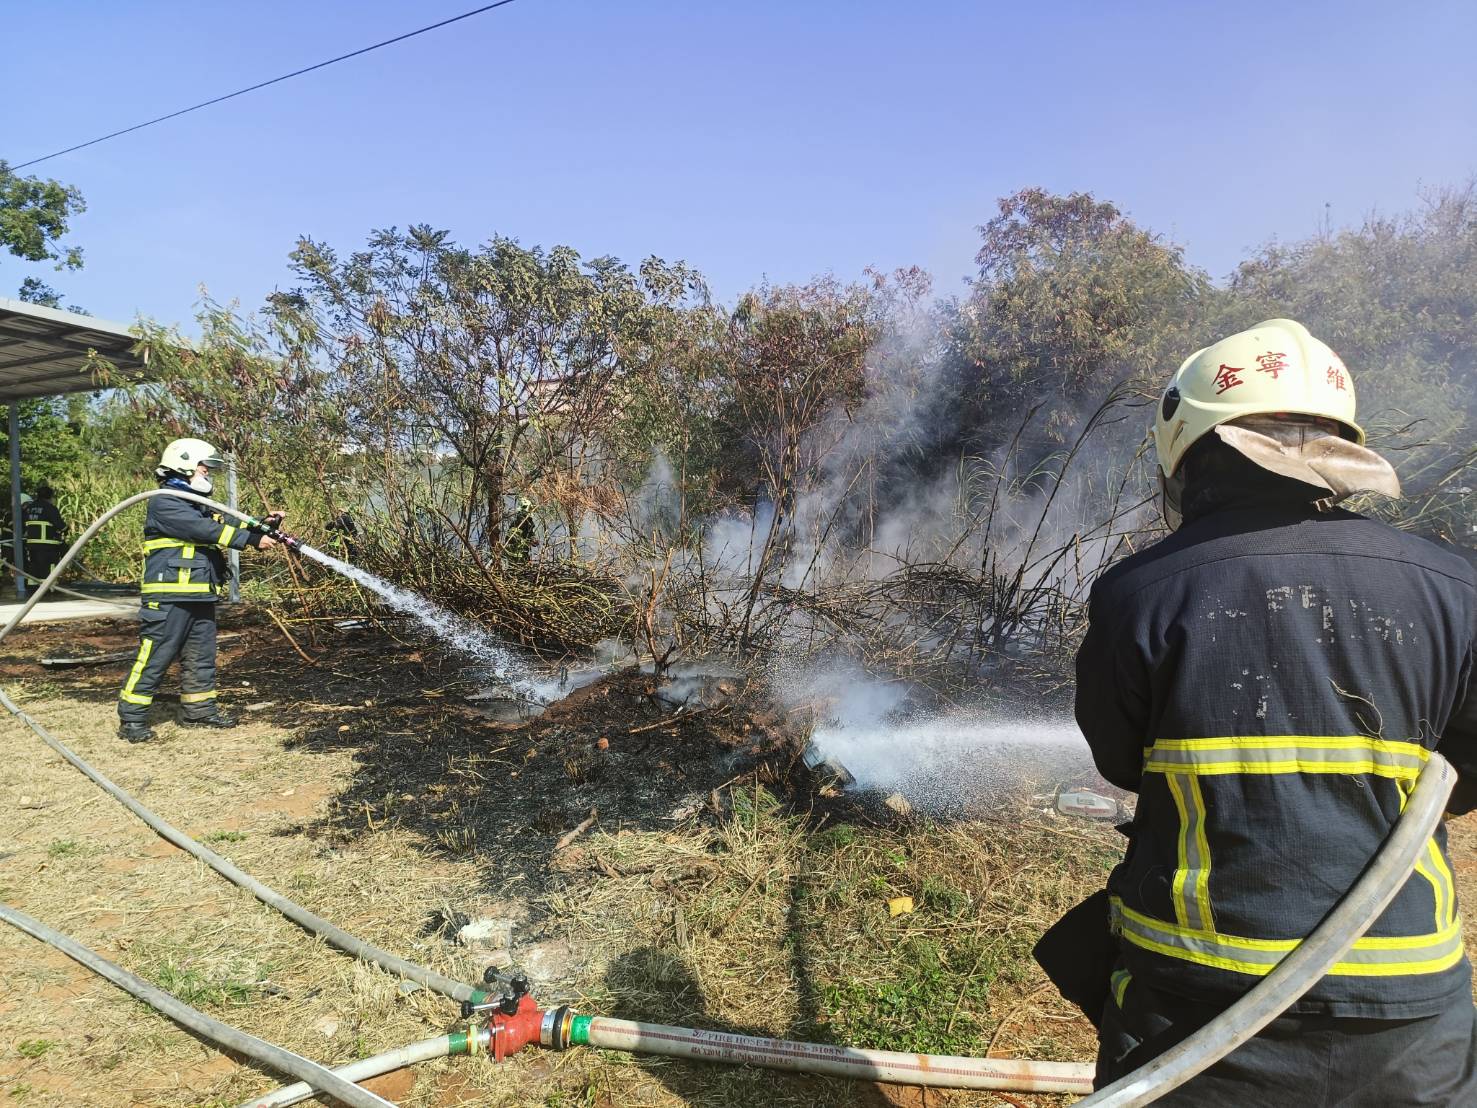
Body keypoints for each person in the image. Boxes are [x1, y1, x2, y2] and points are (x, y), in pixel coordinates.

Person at [1065, 319, 1477, 1103]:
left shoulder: (1141, 591)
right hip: (1407, 1009)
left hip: (1196, 1001)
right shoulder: (1452, 584)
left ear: (1187, 451)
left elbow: (1120, 760)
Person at [117, 438, 282, 744]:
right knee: (156, 655)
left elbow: (225, 522)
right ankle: (132, 718)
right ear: (185, 463)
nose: (208, 473)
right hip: (168, 596)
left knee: (201, 655)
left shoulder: (196, 504)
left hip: (199, 594)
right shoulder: (165, 501)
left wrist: (261, 525)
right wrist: (250, 540)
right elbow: (203, 530)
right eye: (205, 467)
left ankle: (199, 712)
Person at [22, 484, 66, 587]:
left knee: (34, 565)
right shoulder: (50, 508)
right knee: (48, 567)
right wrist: (66, 528)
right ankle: (49, 588)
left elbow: (23, 524)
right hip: (48, 544)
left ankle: (33, 587)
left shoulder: (29, 508)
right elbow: (60, 526)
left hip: (32, 545)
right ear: (50, 497)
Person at [504, 495, 538, 565]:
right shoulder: (527, 522)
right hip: (519, 554)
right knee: (520, 567)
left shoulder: (515, 522)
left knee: (513, 568)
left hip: (512, 554)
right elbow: (531, 538)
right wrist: (534, 541)